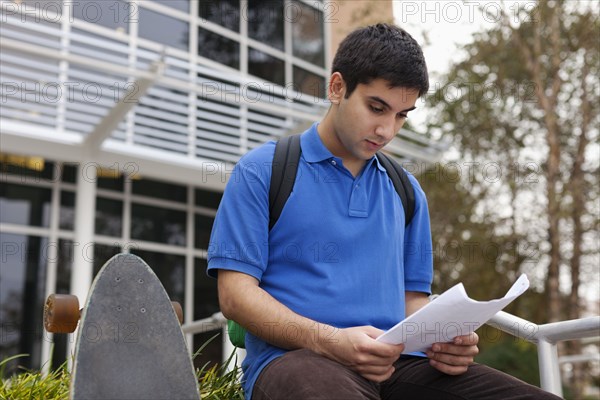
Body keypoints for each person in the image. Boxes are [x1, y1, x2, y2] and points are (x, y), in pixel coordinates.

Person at [207, 23, 560, 400]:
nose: (387, 130)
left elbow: (413, 299)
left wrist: (442, 340)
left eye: (402, 115)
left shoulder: (407, 191)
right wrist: (331, 341)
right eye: (377, 107)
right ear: (337, 88)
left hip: (398, 365)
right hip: (295, 361)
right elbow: (234, 295)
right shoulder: (263, 170)